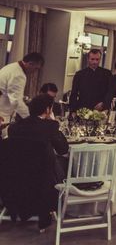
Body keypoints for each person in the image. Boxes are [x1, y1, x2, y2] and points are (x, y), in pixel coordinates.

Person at [6, 93, 69, 229]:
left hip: (15, 176)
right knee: (61, 162)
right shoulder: (49, 126)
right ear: (47, 109)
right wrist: (52, 121)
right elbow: (63, 149)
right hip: (42, 178)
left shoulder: (14, 127)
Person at [0, 52, 45, 123]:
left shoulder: (12, 67)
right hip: (2, 112)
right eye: (36, 68)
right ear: (30, 64)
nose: (35, 72)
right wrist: (28, 118)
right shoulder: (19, 75)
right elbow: (16, 101)